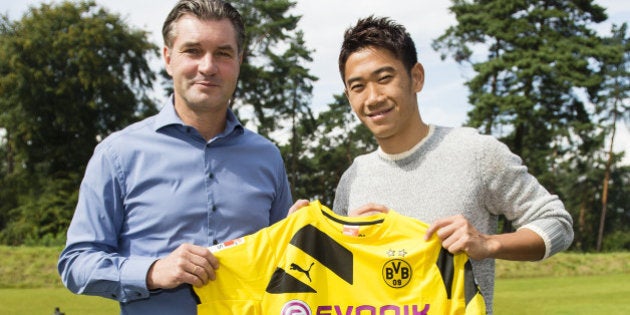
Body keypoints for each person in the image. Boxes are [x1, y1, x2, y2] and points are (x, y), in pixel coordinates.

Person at [57, 1, 293, 314]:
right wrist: (152, 272)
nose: (208, 66)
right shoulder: (117, 154)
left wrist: (315, 232)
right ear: (168, 58)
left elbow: (287, 265)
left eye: (223, 53)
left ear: (239, 61)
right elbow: (77, 263)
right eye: (193, 50)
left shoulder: (267, 157)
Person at [329, 16, 574, 314]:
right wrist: (305, 235)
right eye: (358, 87)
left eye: (384, 78)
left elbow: (557, 224)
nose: (373, 98)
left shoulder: (476, 152)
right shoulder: (353, 177)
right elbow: (338, 278)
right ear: (348, 96)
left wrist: (488, 244)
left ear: (416, 76)